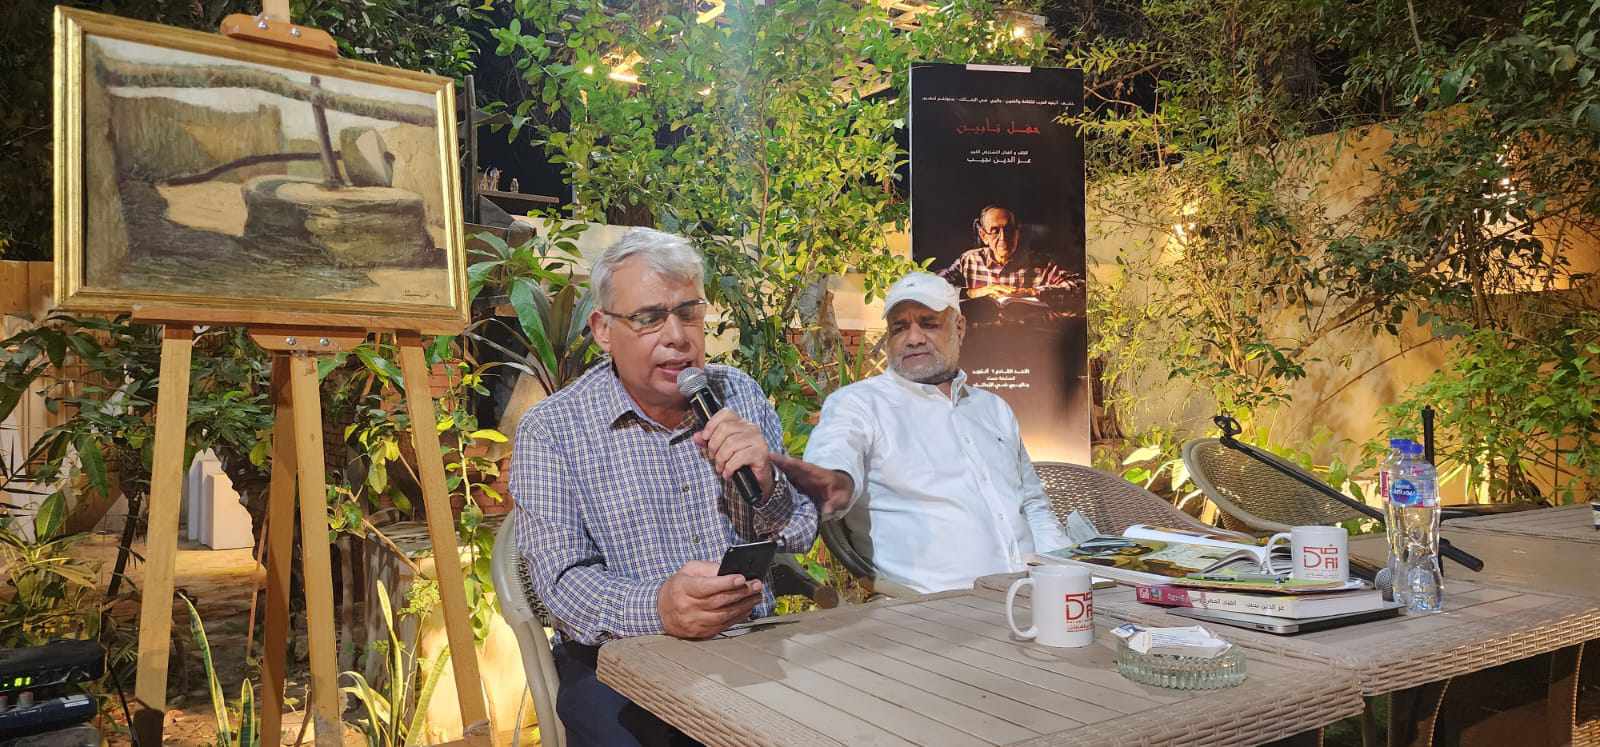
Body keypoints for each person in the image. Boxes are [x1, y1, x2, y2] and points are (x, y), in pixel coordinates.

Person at [509, 228, 819, 747]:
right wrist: (659, 608)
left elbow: (801, 533)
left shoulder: (738, 394)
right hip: (620, 663)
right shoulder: (554, 430)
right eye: (650, 317)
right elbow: (561, 585)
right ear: (603, 329)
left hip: (750, 648)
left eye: (689, 312)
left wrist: (767, 486)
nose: (677, 336)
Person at [772, 272, 1069, 594]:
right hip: (936, 607)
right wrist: (836, 482)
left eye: (928, 324)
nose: (913, 338)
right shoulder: (858, 405)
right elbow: (836, 454)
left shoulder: (993, 409)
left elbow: (1034, 505)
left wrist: (1067, 576)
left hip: (1035, 592)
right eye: (899, 327)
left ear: (959, 327)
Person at [938, 205, 1081, 300]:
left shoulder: (1042, 264)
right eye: (995, 231)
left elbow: (1079, 286)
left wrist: (1032, 292)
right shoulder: (969, 260)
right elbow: (933, 285)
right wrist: (972, 292)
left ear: (1017, 233)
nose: (1003, 238)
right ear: (983, 236)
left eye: (1009, 230)